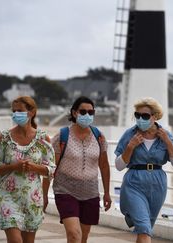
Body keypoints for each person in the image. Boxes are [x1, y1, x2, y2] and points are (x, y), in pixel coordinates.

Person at [0, 96, 56, 243]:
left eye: (20, 110)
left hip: (32, 199)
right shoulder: (4, 138)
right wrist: (13, 167)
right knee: (16, 240)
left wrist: (34, 167)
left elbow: (52, 170)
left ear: (32, 112)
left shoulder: (43, 139)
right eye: (13, 111)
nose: (16, 114)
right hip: (7, 197)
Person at [43, 96, 111, 243]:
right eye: (83, 111)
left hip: (91, 193)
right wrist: (44, 195)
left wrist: (106, 193)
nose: (87, 115)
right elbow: (50, 168)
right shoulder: (62, 136)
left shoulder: (99, 137)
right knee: (74, 234)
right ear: (74, 113)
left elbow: (104, 166)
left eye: (91, 112)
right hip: (65, 191)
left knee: (82, 239)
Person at [115, 97, 173, 243]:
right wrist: (130, 147)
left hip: (158, 185)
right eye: (137, 115)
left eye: (145, 116)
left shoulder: (165, 136)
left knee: (145, 230)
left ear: (155, 116)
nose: (140, 119)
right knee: (144, 228)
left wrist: (167, 142)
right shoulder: (129, 135)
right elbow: (119, 166)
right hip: (134, 183)